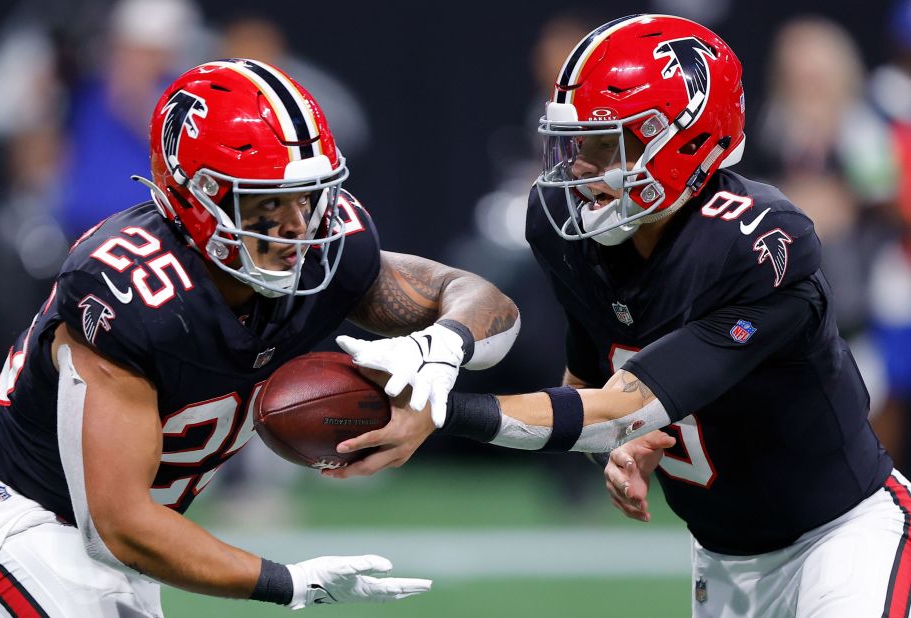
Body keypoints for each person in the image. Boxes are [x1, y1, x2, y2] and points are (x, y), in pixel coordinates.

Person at [329, 15, 911, 617]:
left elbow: (622, 406)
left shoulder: (755, 243)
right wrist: (617, 446)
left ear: (682, 141)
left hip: (841, 539)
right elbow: (588, 396)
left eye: (605, 145)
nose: (579, 169)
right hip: (723, 561)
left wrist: (439, 409)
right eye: (574, 144)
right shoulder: (574, 235)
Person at [0, 58, 521, 615]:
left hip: (108, 545)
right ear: (196, 198)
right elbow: (119, 526)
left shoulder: (329, 250)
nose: (298, 226)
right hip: (18, 518)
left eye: (307, 195)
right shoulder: (130, 294)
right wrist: (289, 583)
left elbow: (480, 299)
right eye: (267, 201)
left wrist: (442, 348)